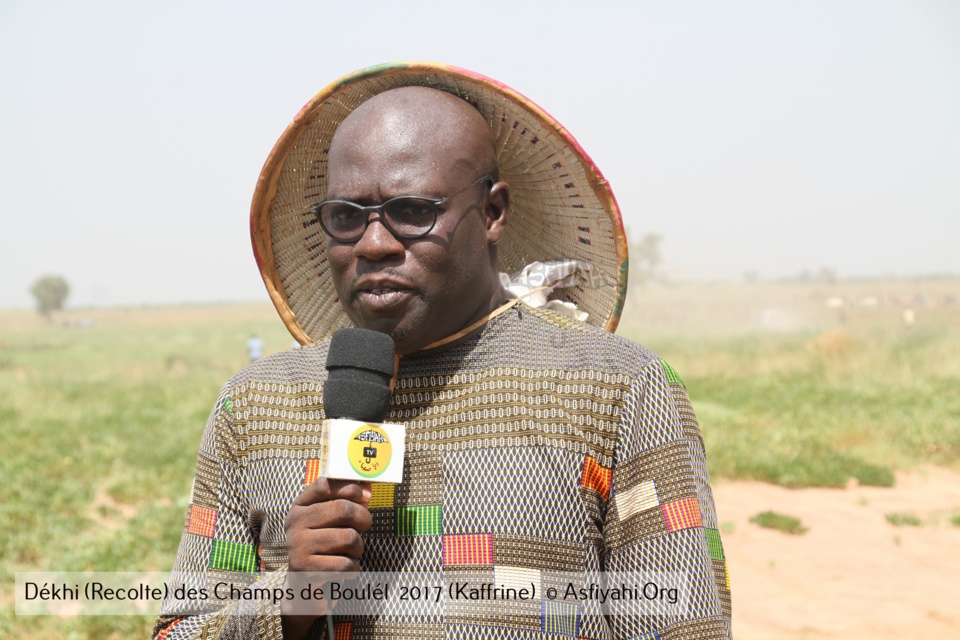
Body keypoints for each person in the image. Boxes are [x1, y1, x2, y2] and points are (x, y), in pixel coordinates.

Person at [155, 62, 731, 639]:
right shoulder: (254, 405)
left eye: (412, 212)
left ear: (492, 213)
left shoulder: (618, 389)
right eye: (347, 218)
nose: (374, 244)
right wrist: (287, 601)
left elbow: (685, 627)